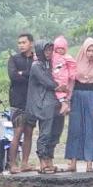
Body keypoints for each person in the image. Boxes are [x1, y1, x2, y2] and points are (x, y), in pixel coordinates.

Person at [64, 37, 93, 173]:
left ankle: (90, 163)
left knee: (92, 129)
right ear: (84, 50)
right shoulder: (75, 63)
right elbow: (71, 83)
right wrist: (67, 101)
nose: (91, 53)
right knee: (75, 129)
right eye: (88, 50)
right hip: (77, 97)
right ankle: (73, 162)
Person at [28, 41, 67, 174]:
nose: (49, 53)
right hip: (44, 103)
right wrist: (58, 86)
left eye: (51, 50)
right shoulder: (36, 65)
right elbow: (46, 81)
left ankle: (50, 160)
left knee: (56, 133)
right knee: (45, 132)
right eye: (47, 50)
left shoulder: (51, 63)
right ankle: (42, 162)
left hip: (55, 103)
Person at [7, 33, 36, 173]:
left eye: (24, 42)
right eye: (19, 43)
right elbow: (13, 76)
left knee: (29, 133)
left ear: (31, 43)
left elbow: (36, 76)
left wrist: (22, 73)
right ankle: (13, 164)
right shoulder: (14, 59)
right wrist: (27, 74)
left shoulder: (36, 59)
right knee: (17, 133)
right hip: (17, 102)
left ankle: (24, 163)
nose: (21, 45)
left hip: (31, 101)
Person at [52, 35, 77, 116]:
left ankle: (65, 104)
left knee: (62, 91)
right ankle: (65, 105)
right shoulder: (53, 56)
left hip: (63, 78)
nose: (60, 50)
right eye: (58, 48)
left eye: (62, 49)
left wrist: (72, 75)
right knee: (56, 91)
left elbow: (73, 65)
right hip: (54, 77)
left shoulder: (67, 57)